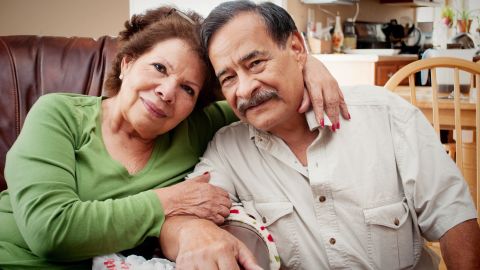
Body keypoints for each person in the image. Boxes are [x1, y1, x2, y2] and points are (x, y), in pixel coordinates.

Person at [0, 5, 349, 270]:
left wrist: (306, 67)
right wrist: (168, 201)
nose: (168, 92)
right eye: (159, 68)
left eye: (188, 88)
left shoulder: (195, 126)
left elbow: (259, 98)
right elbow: (50, 231)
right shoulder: (58, 114)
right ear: (126, 64)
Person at [159, 1, 480, 269]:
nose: (244, 89)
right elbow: (180, 215)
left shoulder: (385, 115)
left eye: (255, 63)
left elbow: (453, 216)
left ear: (297, 49)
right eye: (228, 78)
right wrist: (193, 230)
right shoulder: (229, 149)